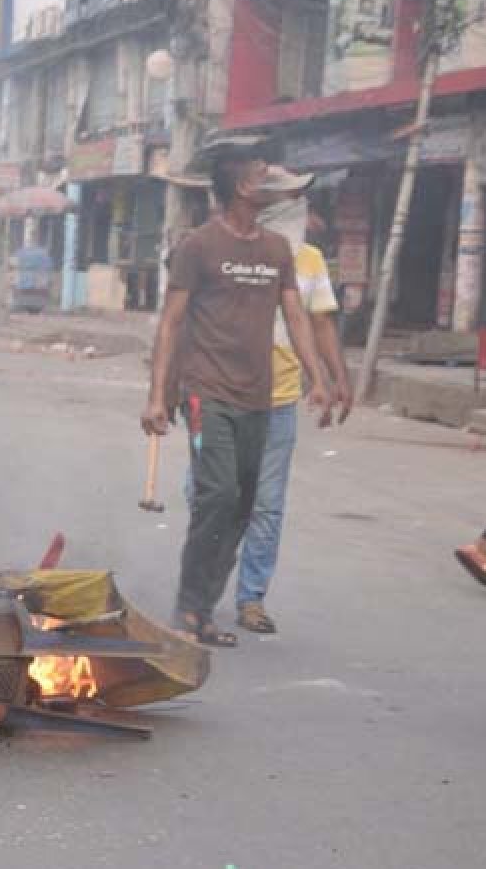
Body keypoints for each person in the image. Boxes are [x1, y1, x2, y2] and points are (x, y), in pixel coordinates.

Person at [142, 144, 330, 648]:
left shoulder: (276, 250)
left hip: (260, 397)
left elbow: (295, 316)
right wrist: (158, 395)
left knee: (243, 506)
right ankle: (189, 608)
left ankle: (203, 610)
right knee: (217, 495)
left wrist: (318, 378)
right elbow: (172, 323)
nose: (270, 178)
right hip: (207, 391)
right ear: (242, 188)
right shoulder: (198, 247)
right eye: (260, 171)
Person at [230, 183, 353, 635]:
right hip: (223, 393)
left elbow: (318, 321)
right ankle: (200, 594)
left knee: (268, 503)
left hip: (279, 396)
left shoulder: (310, 261)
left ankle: (251, 598)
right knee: (215, 496)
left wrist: (335, 377)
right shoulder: (226, 249)